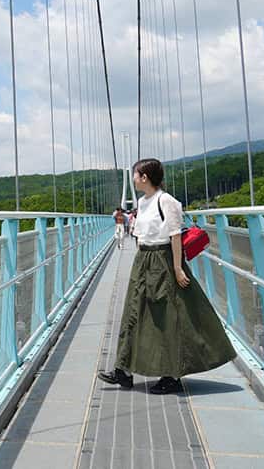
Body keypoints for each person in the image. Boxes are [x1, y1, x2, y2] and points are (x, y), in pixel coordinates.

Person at [97, 158, 236, 394]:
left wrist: (177, 268)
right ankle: (123, 371)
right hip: (143, 260)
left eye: (135, 174)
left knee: (166, 317)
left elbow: (175, 235)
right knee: (133, 312)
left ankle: (172, 375)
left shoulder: (167, 201)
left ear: (144, 177)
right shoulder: (142, 202)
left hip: (162, 260)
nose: (133, 178)